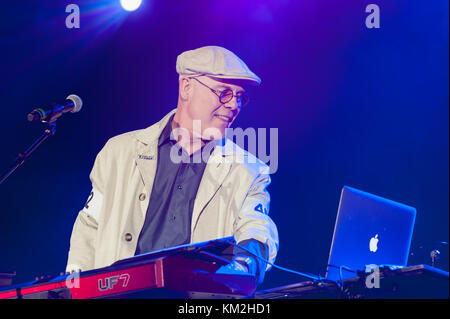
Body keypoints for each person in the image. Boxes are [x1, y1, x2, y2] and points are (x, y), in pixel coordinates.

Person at [66, 46, 279, 285]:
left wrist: (245, 264)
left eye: (240, 96)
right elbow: (89, 227)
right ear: (187, 87)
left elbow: (256, 228)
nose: (234, 105)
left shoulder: (249, 170)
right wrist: (74, 287)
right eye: (224, 92)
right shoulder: (119, 152)